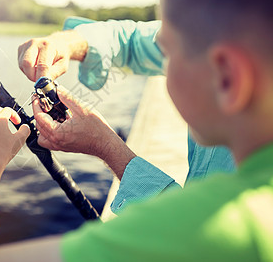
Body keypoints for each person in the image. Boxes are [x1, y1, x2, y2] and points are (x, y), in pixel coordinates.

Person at [0, 0, 273, 262]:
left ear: (228, 78)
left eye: (168, 53)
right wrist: (68, 43)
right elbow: (131, 40)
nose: (161, 61)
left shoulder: (220, 223)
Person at [17, 16, 235, 212]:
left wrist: (107, 147)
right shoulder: (218, 30)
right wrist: (65, 43)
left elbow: (193, 229)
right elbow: (132, 40)